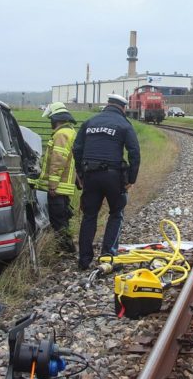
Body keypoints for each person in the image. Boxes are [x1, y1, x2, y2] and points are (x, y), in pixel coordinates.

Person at [73, 94, 141, 270]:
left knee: (89, 216)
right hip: (113, 177)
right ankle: (108, 256)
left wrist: (80, 174)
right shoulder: (124, 124)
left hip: (90, 175)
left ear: (107, 105)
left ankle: (84, 260)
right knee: (116, 213)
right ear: (123, 108)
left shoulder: (89, 122)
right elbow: (134, 152)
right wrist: (131, 179)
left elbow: (77, 149)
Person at [30, 102, 78, 253]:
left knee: (58, 221)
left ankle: (67, 250)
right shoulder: (69, 132)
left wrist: (52, 184)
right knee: (62, 218)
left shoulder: (61, 134)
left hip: (58, 187)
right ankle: (67, 248)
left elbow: (58, 160)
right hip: (63, 186)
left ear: (55, 119)